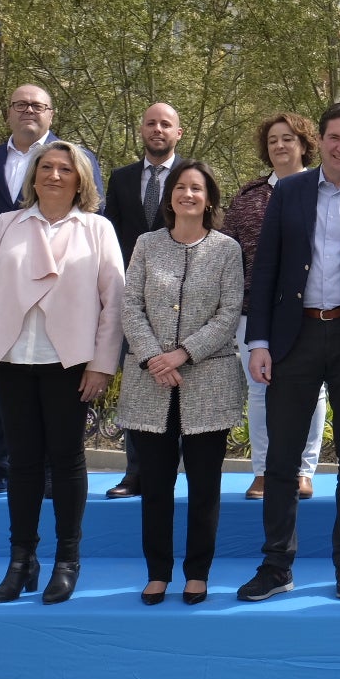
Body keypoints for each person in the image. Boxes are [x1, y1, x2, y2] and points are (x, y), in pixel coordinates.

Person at [237, 103, 340, 603]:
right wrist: (260, 342)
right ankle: (276, 565)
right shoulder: (289, 192)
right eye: (335, 138)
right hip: (296, 338)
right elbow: (265, 270)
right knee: (281, 460)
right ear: (323, 140)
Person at [0, 140, 125, 605]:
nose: (54, 176)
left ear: (80, 181)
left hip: (69, 364)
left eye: (65, 170)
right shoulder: (6, 224)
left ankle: (67, 561)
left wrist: (101, 364)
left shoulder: (97, 229)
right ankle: (21, 560)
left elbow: (114, 302)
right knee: (23, 463)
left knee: (67, 460)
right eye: (46, 167)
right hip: (12, 358)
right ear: (33, 176)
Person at [0, 84, 105, 499]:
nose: (28, 111)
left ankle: (52, 471)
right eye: (20, 104)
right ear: (8, 113)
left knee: (57, 405)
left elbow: (91, 221)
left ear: (51, 114)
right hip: (4, 289)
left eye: (37, 105)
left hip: (63, 299)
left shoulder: (76, 158)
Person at [118, 161, 245, 606]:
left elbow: (229, 313)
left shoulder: (227, 249)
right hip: (150, 384)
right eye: (180, 187)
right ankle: (157, 572)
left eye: (197, 188)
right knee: (155, 485)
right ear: (170, 196)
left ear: (209, 198)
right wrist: (155, 356)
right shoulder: (147, 245)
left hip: (208, 381)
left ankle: (197, 572)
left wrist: (183, 352)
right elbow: (130, 305)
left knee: (205, 486)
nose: (187, 194)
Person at [221, 112, 325, 502]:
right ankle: (263, 472)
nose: (280, 146)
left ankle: (304, 471)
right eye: (272, 141)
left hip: (310, 309)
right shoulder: (248, 198)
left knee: (311, 391)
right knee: (260, 391)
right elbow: (230, 256)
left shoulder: (324, 190)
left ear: (304, 144)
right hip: (255, 310)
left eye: (288, 139)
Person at [101, 102, 184, 500]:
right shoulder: (120, 179)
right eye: (151, 123)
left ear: (177, 133)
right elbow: (109, 236)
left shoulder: (191, 177)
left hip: (184, 300)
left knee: (184, 386)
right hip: (134, 298)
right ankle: (136, 473)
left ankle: (179, 468)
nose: (157, 129)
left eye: (165, 124)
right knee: (139, 387)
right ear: (141, 129)